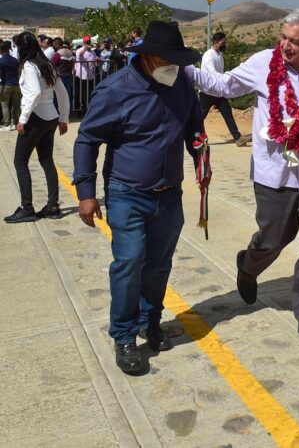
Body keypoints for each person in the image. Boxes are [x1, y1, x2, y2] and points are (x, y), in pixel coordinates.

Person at [184, 9, 299, 348]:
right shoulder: (263, 63)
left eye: (295, 41)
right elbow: (224, 85)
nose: (286, 46)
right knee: (274, 238)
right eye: (283, 38)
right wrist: (183, 68)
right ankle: (248, 264)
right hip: (274, 174)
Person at [72, 21, 207, 375]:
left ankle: (151, 321)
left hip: (169, 195)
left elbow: (195, 126)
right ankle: (124, 335)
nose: (173, 67)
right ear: (146, 57)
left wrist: (200, 156)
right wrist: (85, 194)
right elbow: (87, 140)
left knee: (159, 265)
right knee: (130, 262)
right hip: (126, 193)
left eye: (178, 60)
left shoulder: (180, 85)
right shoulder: (115, 89)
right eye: (167, 59)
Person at [4, 32, 69, 224]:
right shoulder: (46, 63)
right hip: (50, 117)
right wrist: (63, 117)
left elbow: (34, 93)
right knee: (47, 161)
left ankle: (27, 208)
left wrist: (22, 119)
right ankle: (53, 206)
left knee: (20, 162)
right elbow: (62, 92)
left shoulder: (29, 66)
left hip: (35, 119)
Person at [199, 32, 251, 146]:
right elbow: (212, 73)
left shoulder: (219, 55)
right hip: (207, 91)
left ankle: (237, 138)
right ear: (216, 43)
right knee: (200, 116)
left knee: (227, 113)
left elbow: (220, 73)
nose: (224, 45)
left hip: (218, 90)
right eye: (223, 43)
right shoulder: (209, 55)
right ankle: (189, 134)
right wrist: (227, 77)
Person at [0, 40, 22, 131]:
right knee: (16, 105)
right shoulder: (15, 60)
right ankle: (15, 123)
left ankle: (7, 124)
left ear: (1, 51)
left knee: (4, 105)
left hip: (6, 84)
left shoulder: (1, 61)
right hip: (16, 84)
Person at [74, 38, 98, 113]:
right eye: (86, 42)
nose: (88, 44)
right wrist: (84, 49)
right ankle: (79, 110)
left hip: (90, 75)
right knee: (80, 93)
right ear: (83, 43)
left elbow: (94, 62)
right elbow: (79, 57)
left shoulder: (93, 52)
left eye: (89, 42)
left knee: (88, 93)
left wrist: (97, 60)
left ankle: (87, 109)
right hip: (81, 75)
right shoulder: (79, 50)